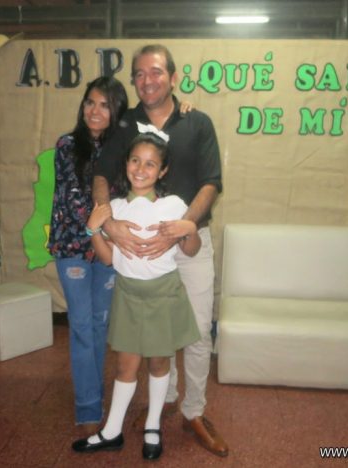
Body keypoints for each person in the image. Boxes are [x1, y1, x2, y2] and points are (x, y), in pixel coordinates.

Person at [93, 44, 228, 457]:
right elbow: (101, 175)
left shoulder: (196, 122)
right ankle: (163, 401)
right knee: (155, 337)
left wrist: (183, 225)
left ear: (173, 76)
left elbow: (211, 181)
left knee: (197, 331)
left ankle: (194, 411)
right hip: (140, 249)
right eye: (139, 74)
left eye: (155, 72)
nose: (147, 80)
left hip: (188, 240)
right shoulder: (124, 125)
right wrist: (108, 222)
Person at [73, 132, 201, 461]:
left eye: (150, 164)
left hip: (164, 294)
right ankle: (112, 431)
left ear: (163, 170)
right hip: (128, 294)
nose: (140, 169)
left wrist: (190, 229)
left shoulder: (174, 205)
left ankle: (153, 426)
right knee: (125, 366)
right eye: (135, 161)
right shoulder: (113, 208)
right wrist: (93, 229)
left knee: (159, 363)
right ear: (126, 164)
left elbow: (191, 249)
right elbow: (107, 258)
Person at [47, 76, 128, 434]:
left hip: (109, 250)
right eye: (90, 102)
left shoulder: (123, 149)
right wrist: (105, 228)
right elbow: (74, 199)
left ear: (116, 111)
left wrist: (112, 234)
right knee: (81, 326)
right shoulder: (67, 145)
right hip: (74, 248)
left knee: (99, 324)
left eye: (105, 105)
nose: (95, 111)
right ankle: (88, 405)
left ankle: (95, 393)